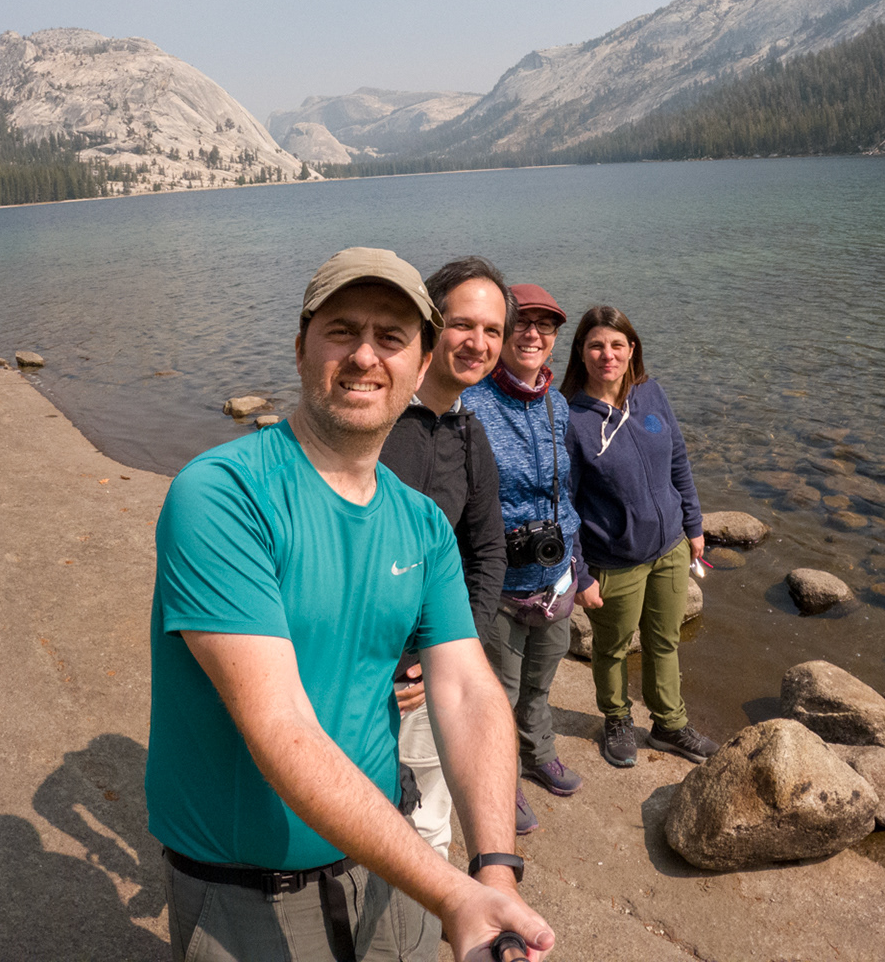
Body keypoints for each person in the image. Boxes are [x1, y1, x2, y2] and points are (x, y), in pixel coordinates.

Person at [145, 247, 552, 962]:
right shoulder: (222, 496)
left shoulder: (422, 525)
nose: (367, 355)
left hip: (382, 864)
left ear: (421, 364)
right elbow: (281, 726)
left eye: (392, 337)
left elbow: (464, 689)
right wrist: (453, 892)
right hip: (243, 893)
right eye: (343, 331)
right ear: (302, 346)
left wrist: (494, 868)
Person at [379, 257, 510, 858]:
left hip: (430, 675)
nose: (478, 344)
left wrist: (456, 651)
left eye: (492, 331)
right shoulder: (375, 419)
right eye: (464, 325)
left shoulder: (469, 435)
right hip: (358, 672)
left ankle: (408, 939)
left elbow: (487, 554)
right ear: (431, 325)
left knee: (429, 822)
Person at [462, 283, 599, 837]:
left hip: (557, 576)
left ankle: (539, 752)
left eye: (547, 326)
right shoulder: (471, 402)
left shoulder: (556, 402)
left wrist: (579, 565)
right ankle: (501, 779)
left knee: (541, 682)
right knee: (499, 691)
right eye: (522, 323)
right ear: (502, 331)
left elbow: (565, 495)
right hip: (499, 582)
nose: (535, 334)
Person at [561, 305, 720, 768]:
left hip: (670, 546)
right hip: (614, 558)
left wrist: (693, 526)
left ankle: (669, 724)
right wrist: (581, 572)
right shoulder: (571, 418)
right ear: (581, 353)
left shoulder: (649, 393)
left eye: (616, 344)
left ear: (632, 350)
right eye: (596, 345)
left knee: (664, 640)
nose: (607, 354)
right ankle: (616, 717)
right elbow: (563, 503)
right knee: (611, 647)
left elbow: (678, 462)